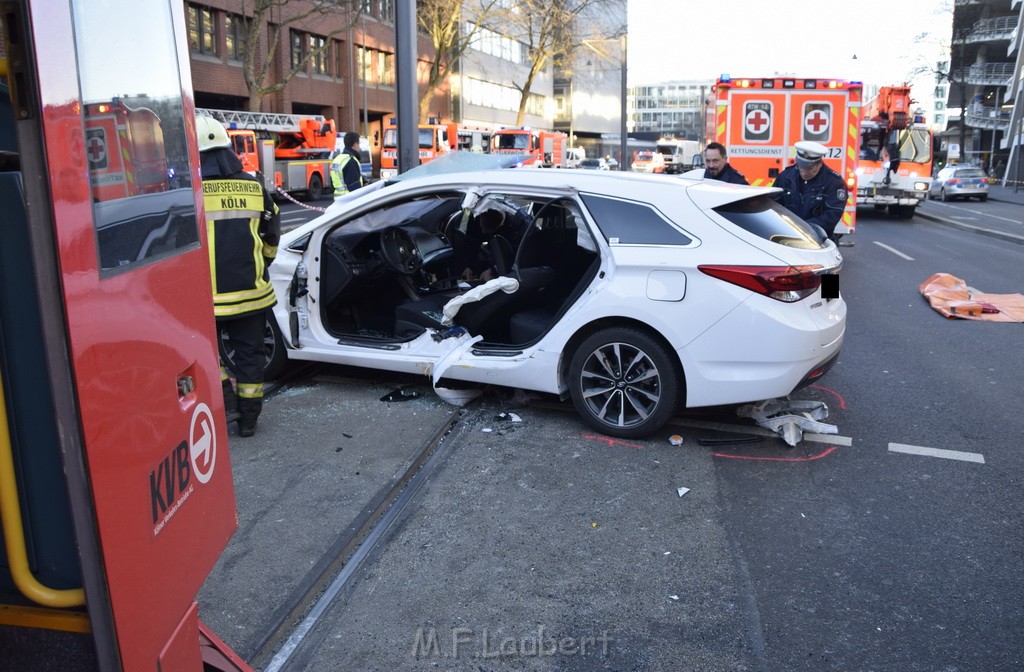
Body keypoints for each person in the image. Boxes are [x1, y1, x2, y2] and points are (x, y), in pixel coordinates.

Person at [196, 114, 281, 437]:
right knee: (250, 356)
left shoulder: (190, 193)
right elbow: (272, 237)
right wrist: (261, 266)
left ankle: (226, 402)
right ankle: (248, 420)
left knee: (205, 354)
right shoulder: (255, 187)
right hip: (252, 294)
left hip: (204, 299)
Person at [771, 140, 847, 242]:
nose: (804, 172)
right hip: (787, 236)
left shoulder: (834, 182)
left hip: (817, 240)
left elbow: (832, 214)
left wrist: (803, 229)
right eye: (801, 167)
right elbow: (773, 204)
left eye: (809, 168)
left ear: (819, 164)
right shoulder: (786, 176)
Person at [459, 203, 532, 282]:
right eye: (481, 227)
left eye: (487, 230)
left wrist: (492, 270)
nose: (482, 232)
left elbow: (517, 255)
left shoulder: (520, 224)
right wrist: (467, 266)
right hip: (494, 253)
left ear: (501, 223)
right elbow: (471, 242)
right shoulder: (477, 213)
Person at [331, 131, 365, 200]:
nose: (359, 146)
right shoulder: (350, 161)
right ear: (355, 144)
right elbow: (354, 187)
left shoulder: (337, 159)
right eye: (359, 144)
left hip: (338, 201)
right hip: (349, 201)